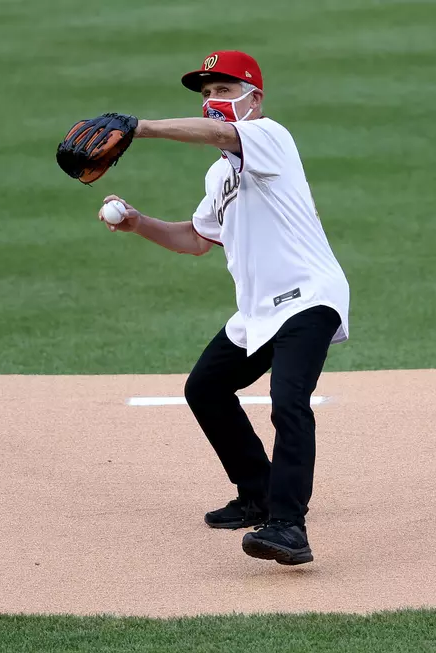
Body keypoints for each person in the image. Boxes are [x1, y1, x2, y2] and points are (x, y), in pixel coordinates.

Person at [98, 50, 350, 565]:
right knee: (206, 388)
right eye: (207, 94)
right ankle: (256, 492)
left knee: (288, 401)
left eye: (225, 90)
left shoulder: (270, 136)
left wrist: (138, 128)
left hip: (308, 296)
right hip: (258, 311)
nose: (214, 102)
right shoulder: (219, 177)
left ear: (254, 98)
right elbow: (195, 239)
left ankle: (288, 527)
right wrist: (138, 223)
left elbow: (218, 135)